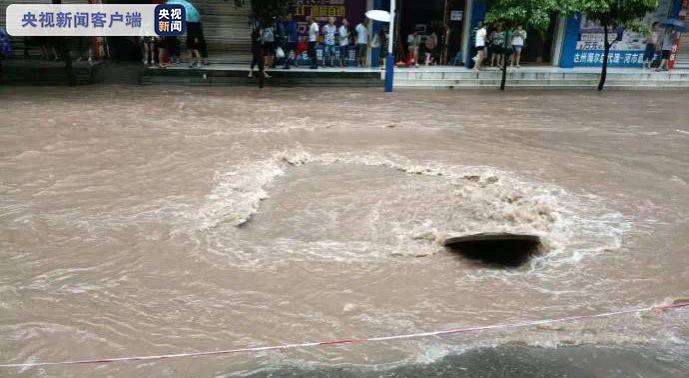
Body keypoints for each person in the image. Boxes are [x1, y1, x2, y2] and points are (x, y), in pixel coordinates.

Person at [168, 0, 208, 68]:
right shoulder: (195, 21)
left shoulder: (189, 22)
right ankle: (194, 63)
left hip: (192, 38)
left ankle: (194, 63)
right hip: (192, 38)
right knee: (193, 51)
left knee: (193, 50)